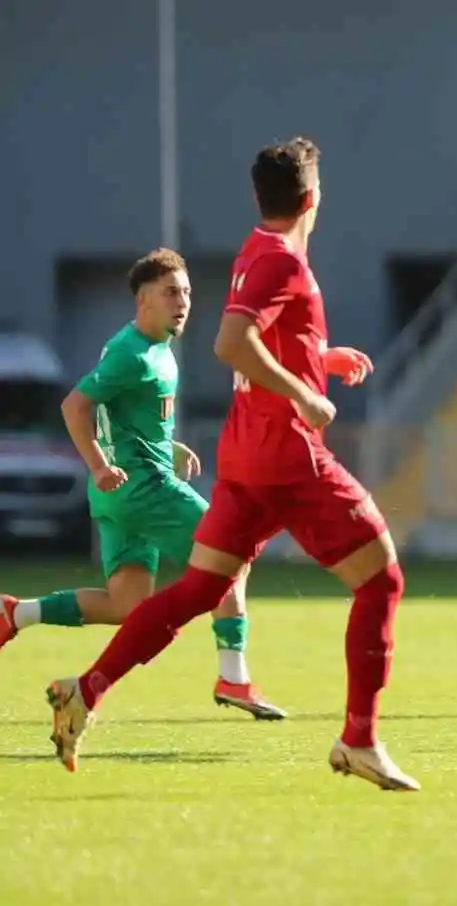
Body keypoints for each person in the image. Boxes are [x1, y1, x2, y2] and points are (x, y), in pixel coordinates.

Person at [44, 137, 419, 789]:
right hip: (287, 457)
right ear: (313, 197)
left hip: (246, 457)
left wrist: (320, 363)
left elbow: (261, 340)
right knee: (381, 581)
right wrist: (305, 393)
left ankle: (87, 688)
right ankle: (359, 738)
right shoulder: (283, 262)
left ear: (259, 197)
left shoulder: (256, 250)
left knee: (196, 590)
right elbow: (231, 342)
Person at [0, 249, 283, 720]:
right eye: (172, 292)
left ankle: (16, 614)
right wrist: (96, 465)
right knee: (229, 555)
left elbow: (119, 413)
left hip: (120, 494)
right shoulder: (133, 353)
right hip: (140, 489)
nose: (183, 302)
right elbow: (76, 406)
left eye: (187, 292)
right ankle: (234, 676)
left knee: (126, 604)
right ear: (143, 300)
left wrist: (164, 446)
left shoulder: (152, 350)